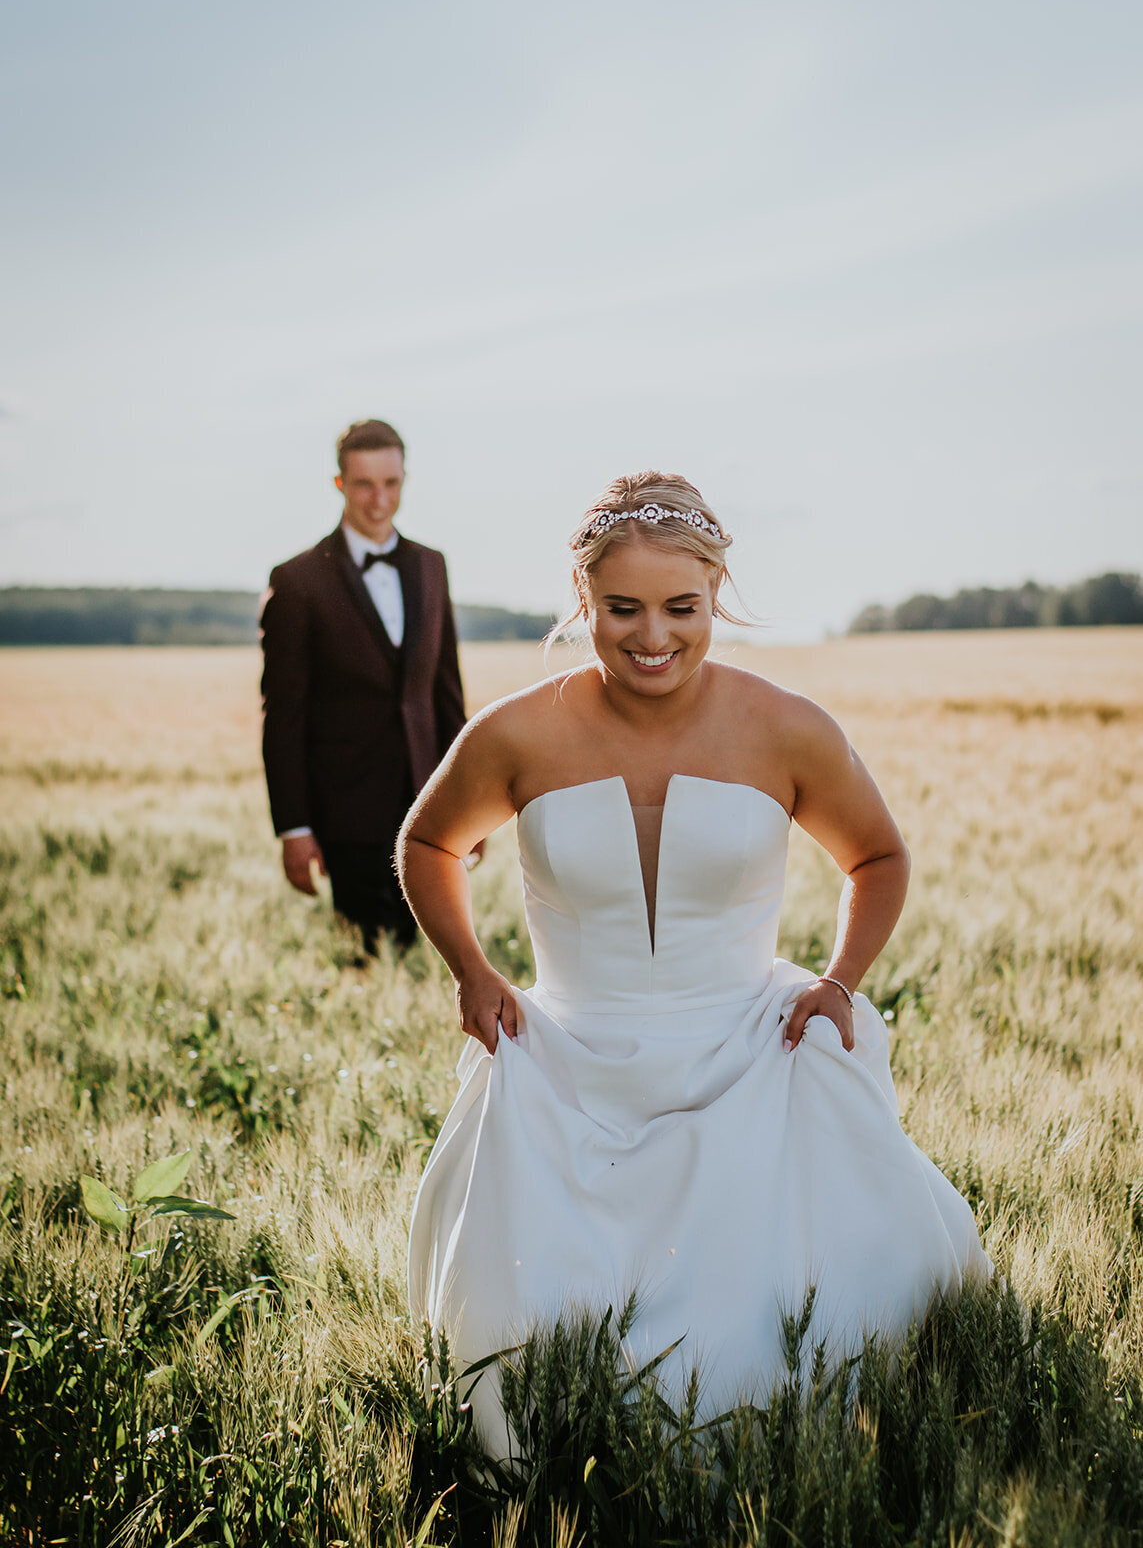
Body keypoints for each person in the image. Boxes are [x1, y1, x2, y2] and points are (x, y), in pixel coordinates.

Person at [400, 471, 990, 1454]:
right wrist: (472, 969)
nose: (652, 636)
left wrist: (838, 981)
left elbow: (878, 857)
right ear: (584, 601)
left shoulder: (786, 726)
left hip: (750, 1047)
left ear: (718, 591)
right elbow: (426, 846)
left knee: (783, 1339)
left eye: (683, 607)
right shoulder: (518, 731)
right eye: (622, 608)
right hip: (564, 1061)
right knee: (521, 1342)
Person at [260, 418, 468, 953]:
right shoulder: (298, 580)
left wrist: (469, 802)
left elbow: (446, 692)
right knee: (362, 960)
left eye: (391, 484)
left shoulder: (431, 565)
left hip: (429, 803)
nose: (380, 499)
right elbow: (284, 713)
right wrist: (294, 828)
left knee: (427, 956)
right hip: (344, 812)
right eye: (364, 484)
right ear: (339, 484)